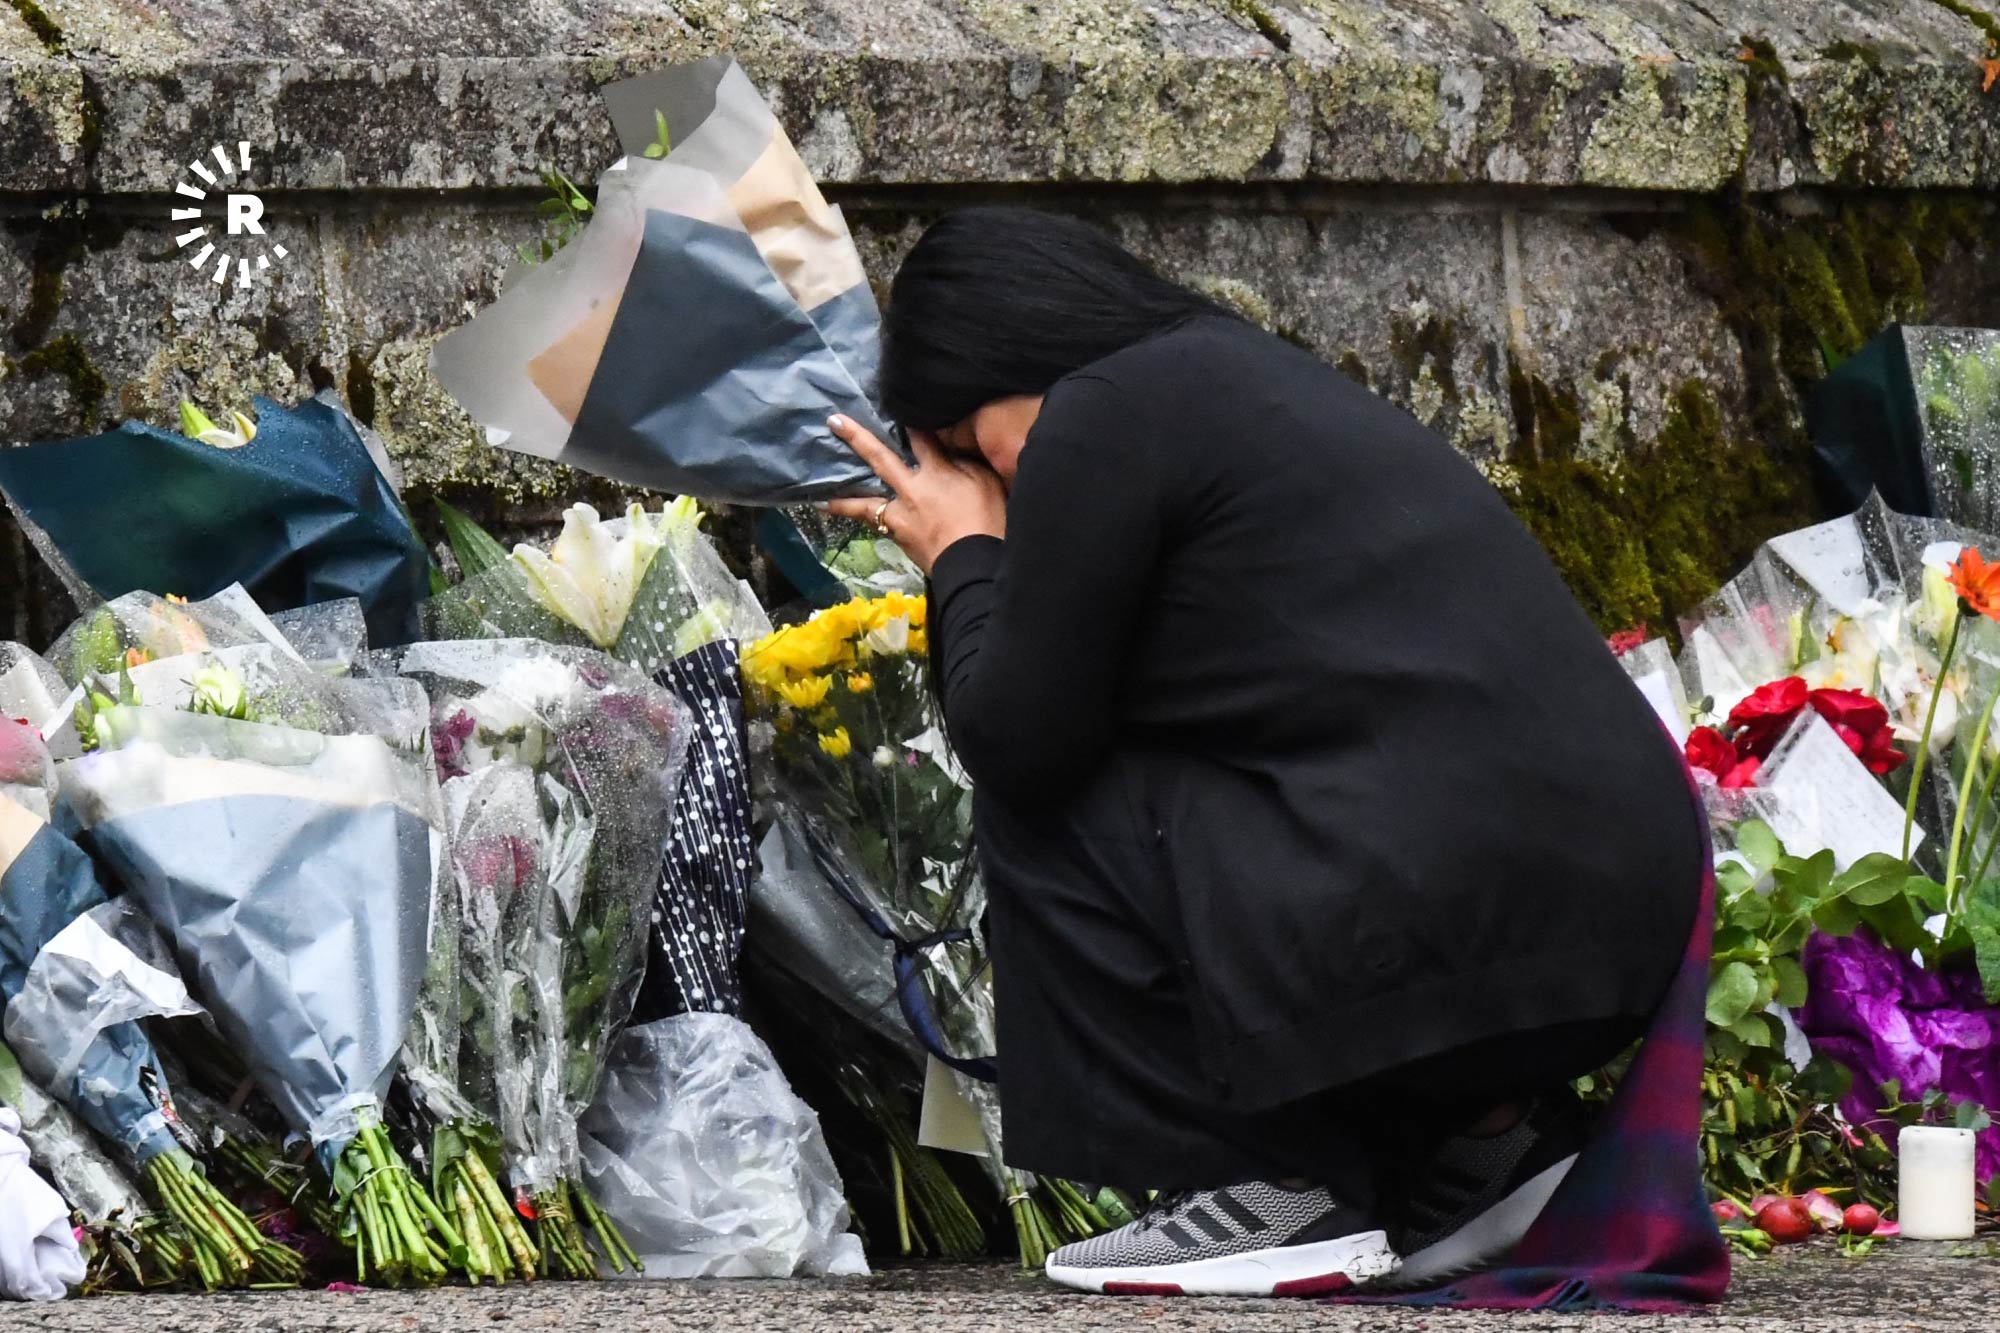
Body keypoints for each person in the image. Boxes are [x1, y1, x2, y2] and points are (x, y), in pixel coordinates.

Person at [825, 207, 1705, 1298]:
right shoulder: (1242, 378)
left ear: (994, 368)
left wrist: (963, 551)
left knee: (1044, 794)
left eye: (968, 448)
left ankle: (1266, 1182)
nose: (992, 480)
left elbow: (1016, 739)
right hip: (1615, 921)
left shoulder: (1097, 412)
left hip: (1463, 918)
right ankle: (1488, 1147)